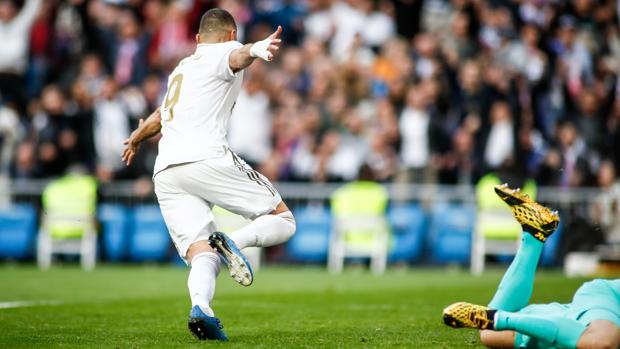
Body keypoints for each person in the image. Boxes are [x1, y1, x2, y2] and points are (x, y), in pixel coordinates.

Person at [120, 9, 296, 341]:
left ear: (198, 39)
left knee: (201, 253)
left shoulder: (181, 69)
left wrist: (137, 138)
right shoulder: (224, 51)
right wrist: (256, 48)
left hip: (167, 170)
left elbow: (160, 115)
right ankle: (235, 241)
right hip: (206, 158)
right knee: (284, 220)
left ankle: (202, 308)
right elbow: (236, 57)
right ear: (232, 33)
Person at [442, 184, 620, 349]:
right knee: (600, 342)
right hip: (612, 298)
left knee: (489, 335)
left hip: (573, 313)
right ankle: (497, 318)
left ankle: (534, 236)